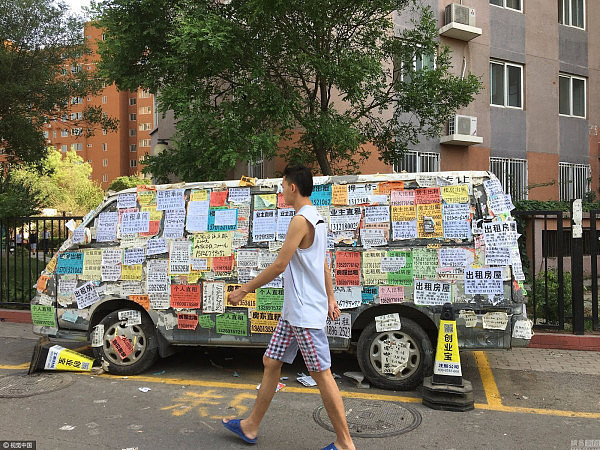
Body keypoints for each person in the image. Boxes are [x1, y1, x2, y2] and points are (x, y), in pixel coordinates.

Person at [224, 165, 355, 450]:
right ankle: (250, 426)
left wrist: (244, 289)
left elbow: (280, 264)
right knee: (271, 362)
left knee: (322, 375)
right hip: (294, 312)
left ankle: (345, 443)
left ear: (292, 187)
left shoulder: (300, 220)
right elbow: (321, 263)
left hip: (304, 314)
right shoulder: (317, 217)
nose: (281, 191)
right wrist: (331, 298)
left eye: (283, 186)